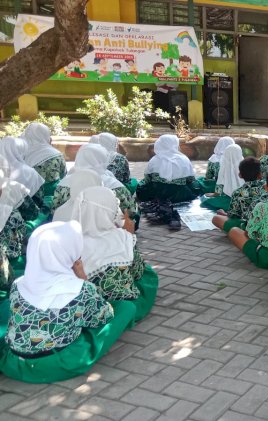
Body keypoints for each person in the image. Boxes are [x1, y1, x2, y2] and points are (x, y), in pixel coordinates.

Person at [0, 221, 136, 383]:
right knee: (126, 308)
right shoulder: (80, 288)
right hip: (57, 365)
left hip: (14, 364)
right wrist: (83, 278)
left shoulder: (19, 284)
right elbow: (104, 316)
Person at [72, 187, 158, 322]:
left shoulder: (69, 241)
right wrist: (130, 235)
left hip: (85, 301)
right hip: (119, 299)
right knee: (148, 275)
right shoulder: (121, 237)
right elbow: (137, 272)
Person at [55, 144, 137, 221]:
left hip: (68, 228)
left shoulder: (63, 184)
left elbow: (54, 208)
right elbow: (131, 211)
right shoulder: (114, 185)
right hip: (106, 230)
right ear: (103, 160)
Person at [136, 134, 200, 203]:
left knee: (141, 185)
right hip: (181, 195)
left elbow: (147, 179)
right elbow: (190, 180)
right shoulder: (184, 159)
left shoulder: (154, 160)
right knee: (197, 184)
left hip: (157, 195)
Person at [212, 157, 268, 233]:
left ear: (240, 175)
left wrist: (224, 214)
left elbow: (233, 216)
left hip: (249, 226)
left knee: (216, 218)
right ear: (260, 174)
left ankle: (242, 233)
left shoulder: (237, 193)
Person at [20, 122, 66, 196]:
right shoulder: (56, 154)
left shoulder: (20, 153)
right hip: (52, 196)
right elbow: (63, 176)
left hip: (27, 197)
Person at [202, 144, 244, 212]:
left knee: (206, 202)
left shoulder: (224, 166)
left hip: (227, 200)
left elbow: (219, 187)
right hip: (244, 198)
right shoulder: (245, 165)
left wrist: (215, 195)